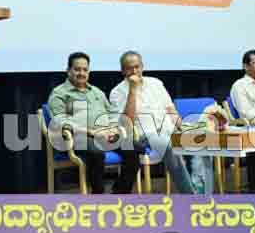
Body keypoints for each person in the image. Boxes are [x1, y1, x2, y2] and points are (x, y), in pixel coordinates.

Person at [47, 52, 140, 194]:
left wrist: (113, 129)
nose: (81, 73)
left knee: (135, 148)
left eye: (85, 69)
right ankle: (98, 195)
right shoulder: (59, 93)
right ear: (68, 71)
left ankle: (120, 192)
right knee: (96, 152)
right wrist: (92, 132)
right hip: (80, 137)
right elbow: (61, 122)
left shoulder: (97, 92)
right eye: (77, 69)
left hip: (105, 135)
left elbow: (112, 115)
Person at [109, 51, 197, 193]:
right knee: (168, 146)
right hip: (145, 135)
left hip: (168, 129)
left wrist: (183, 128)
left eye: (137, 67)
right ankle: (191, 196)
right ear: (123, 70)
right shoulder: (117, 92)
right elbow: (126, 123)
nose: (134, 71)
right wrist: (132, 90)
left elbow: (170, 109)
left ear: (142, 66)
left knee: (200, 141)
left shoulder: (156, 83)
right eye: (129, 68)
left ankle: (200, 187)